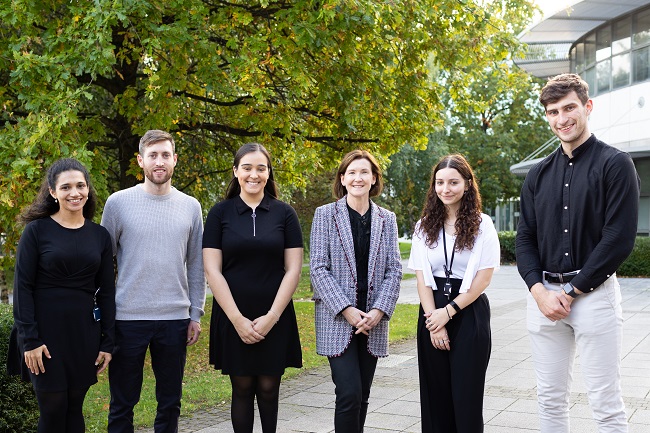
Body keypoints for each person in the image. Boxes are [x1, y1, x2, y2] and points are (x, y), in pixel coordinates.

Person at [516, 73, 640, 433]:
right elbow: (525, 239)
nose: (562, 118)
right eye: (553, 112)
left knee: (605, 403)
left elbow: (618, 238)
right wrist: (539, 293)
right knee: (549, 399)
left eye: (569, 107)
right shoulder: (537, 176)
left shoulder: (615, 164)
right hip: (542, 298)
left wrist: (571, 293)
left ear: (587, 107)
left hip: (593, 298)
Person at [101, 130, 205, 433]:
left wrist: (195, 313)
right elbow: (103, 263)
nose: (159, 161)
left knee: (170, 402)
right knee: (122, 403)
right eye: (152, 155)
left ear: (174, 159)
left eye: (165, 155)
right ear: (140, 160)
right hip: (127, 318)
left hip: (174, 319)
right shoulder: (118, 203)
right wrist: (104, 315)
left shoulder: (191, 206)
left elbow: (197, 264)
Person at [8, 158, 115, 433]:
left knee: (74, 408)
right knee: (53, 409)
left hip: (83, 334)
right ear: (53, 192)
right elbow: (22, 288)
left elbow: (106, 292)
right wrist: (30, 340)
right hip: (44, 336)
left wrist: (107, 342)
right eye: (65, 187)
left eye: (80, 185)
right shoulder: (36, 231)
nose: (74, 192)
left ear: (88, 189)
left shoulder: (100, 235)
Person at [203, 143, 303, 432]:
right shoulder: (220, 213)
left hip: (276, 314)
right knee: (242, 388)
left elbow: (293, 269)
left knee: (270, 388)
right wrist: (236, 319)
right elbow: (212, 269)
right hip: (234, 315)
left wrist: (272, 316)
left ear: (269, 173)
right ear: (236, 171)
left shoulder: (285, 214)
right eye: (247, 167)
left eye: (261, 168)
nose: (254, 174)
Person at [310, 149, 402, 433]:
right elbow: (318, 268)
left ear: (374, 178)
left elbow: (394, 270)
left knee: (362, 396)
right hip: (338, 320)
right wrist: (347, 310)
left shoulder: (387, 219)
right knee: (348, 393)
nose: (358, 178)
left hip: (373, 322)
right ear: (343, 178)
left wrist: (378, 311)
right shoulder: (325, 215)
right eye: (351, 172)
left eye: (364, 172)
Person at [408, 154, 499, 433]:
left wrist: (449, 312)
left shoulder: (483, 225)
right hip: (432, 312)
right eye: (440, 182)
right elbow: (422, 278)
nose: (445, 189)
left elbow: (483, 279)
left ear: (468, 184)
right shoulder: (424, 226)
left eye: (453, 182)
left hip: (468, 311)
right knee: (435, 399)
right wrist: (434, 323)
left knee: (466, 398)